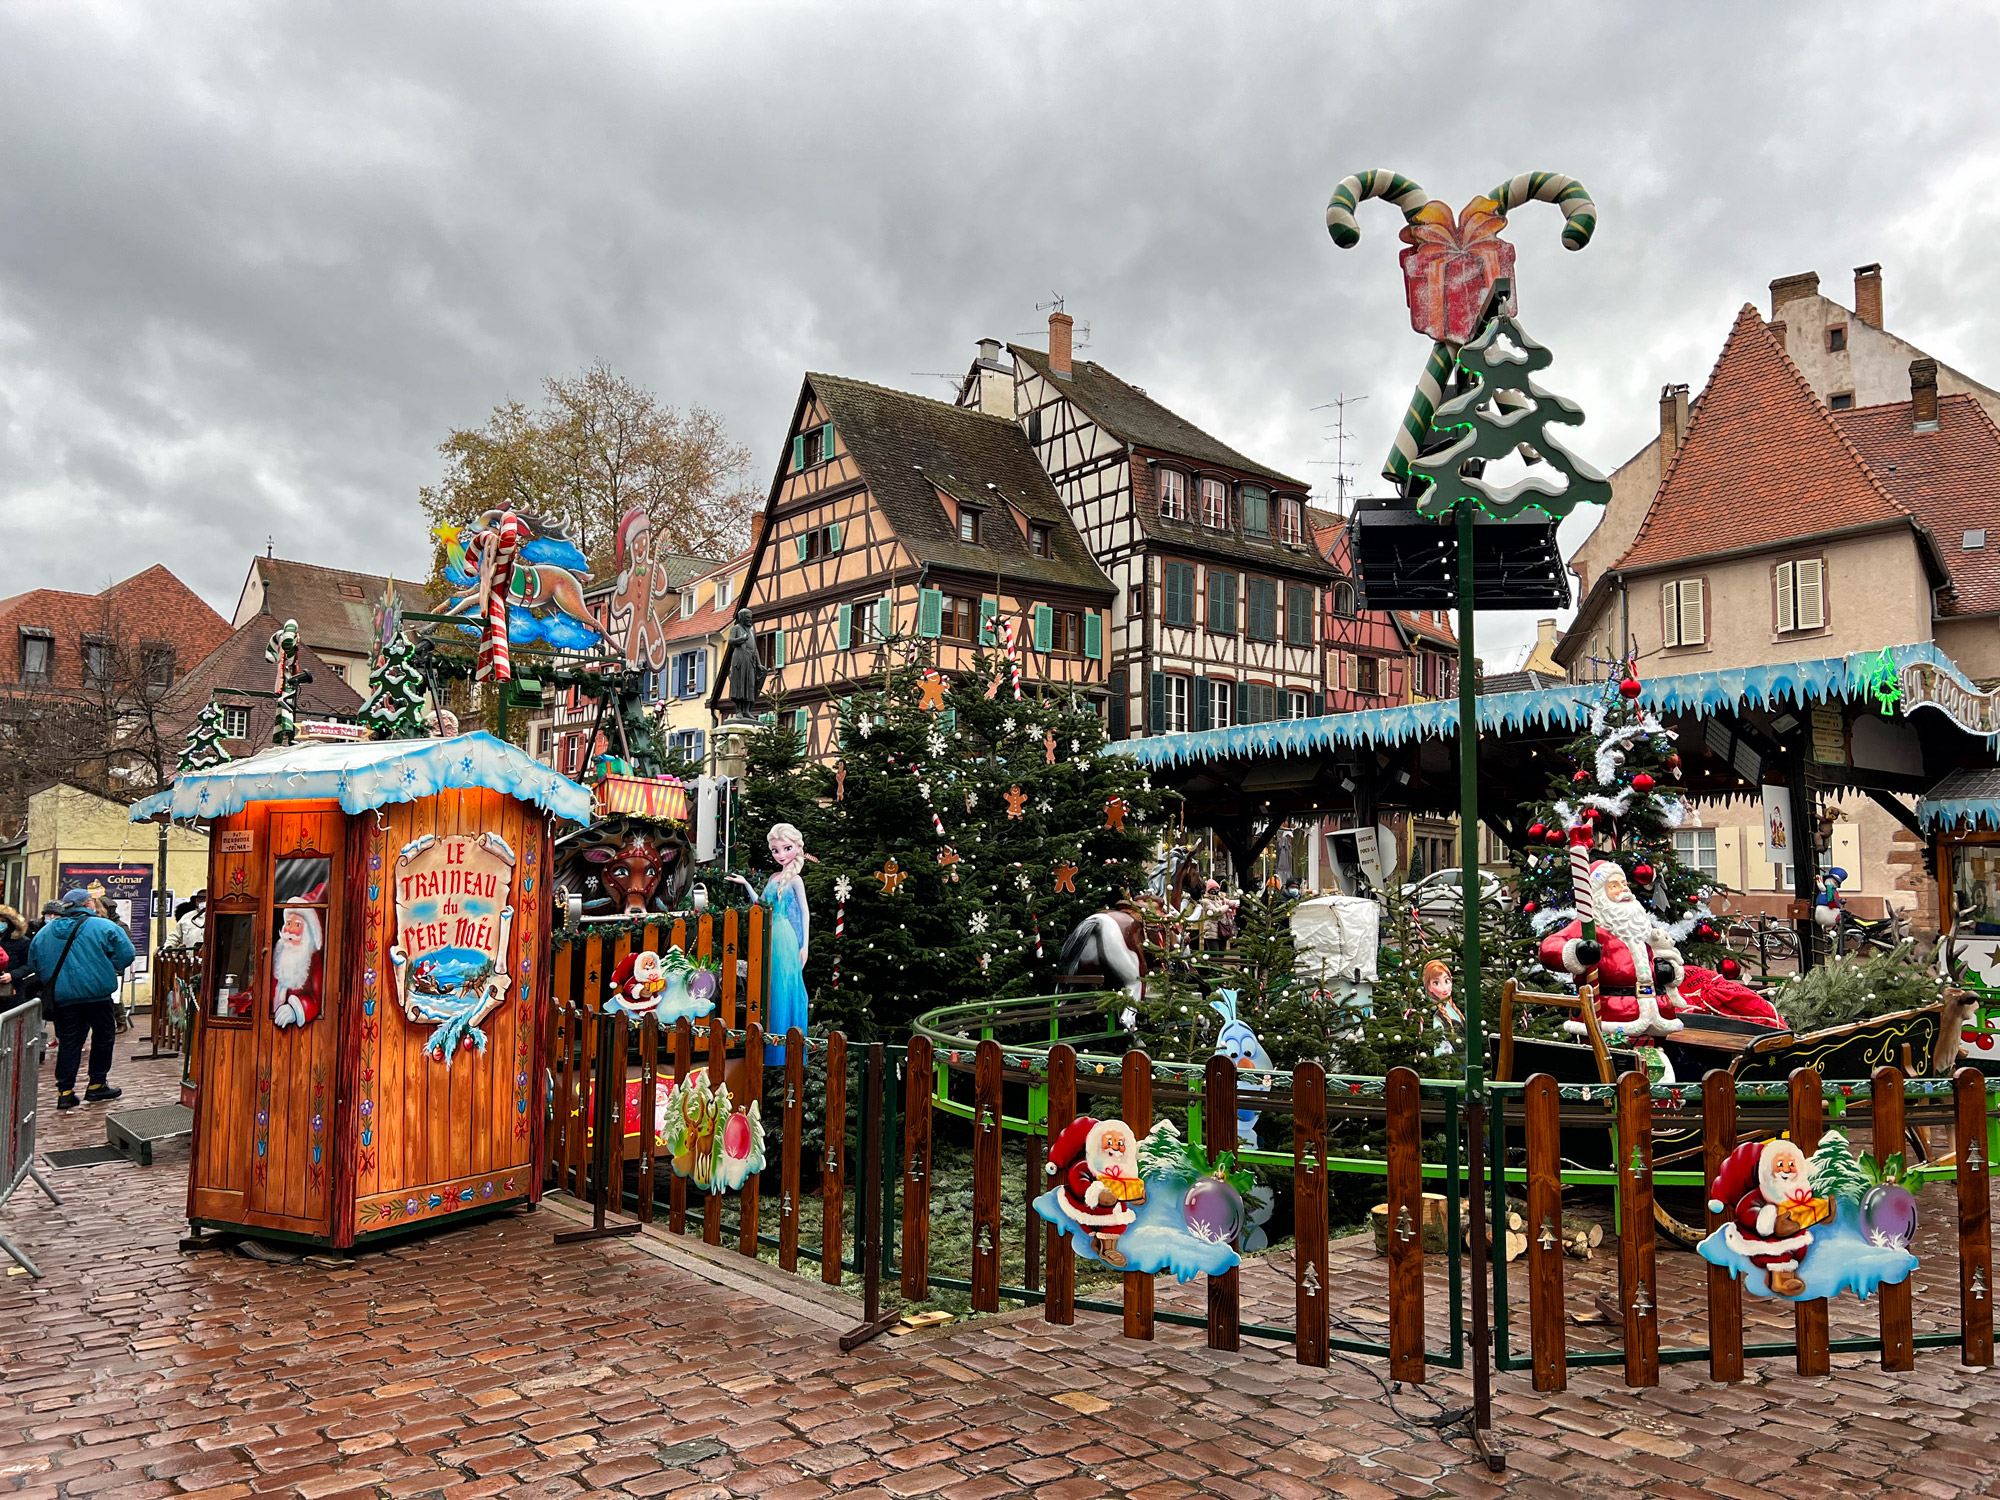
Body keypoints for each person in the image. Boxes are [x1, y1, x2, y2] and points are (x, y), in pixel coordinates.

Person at [28, 889, 134, 1108]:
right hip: (97, 994)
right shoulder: (104, 926)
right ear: (87, 904)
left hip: (64, 998)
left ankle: (65, 1091)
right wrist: (110, 967)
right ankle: (96, 1085)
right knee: (103, 1038)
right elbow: (127, 954)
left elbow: (34, 963)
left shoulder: (45, 932)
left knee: (69, 1042)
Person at [728, 823, 809, 1063]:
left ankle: (785, 1050)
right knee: (771, 985)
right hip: (770, 936)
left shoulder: (795, 880)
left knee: (784, 984)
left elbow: (805, 913)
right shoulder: (775, 877)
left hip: (785, 936)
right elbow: (761, 904)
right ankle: (771, 1048)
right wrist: (746, 885)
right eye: (775, 850)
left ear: (797, 847)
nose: (781, 855)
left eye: (786, 848)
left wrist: (805, 945)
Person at [0, 907, 30, 1000]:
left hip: (13, 990)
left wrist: (12, 975)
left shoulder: (22, 941)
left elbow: (29, 965)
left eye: (3, 921)